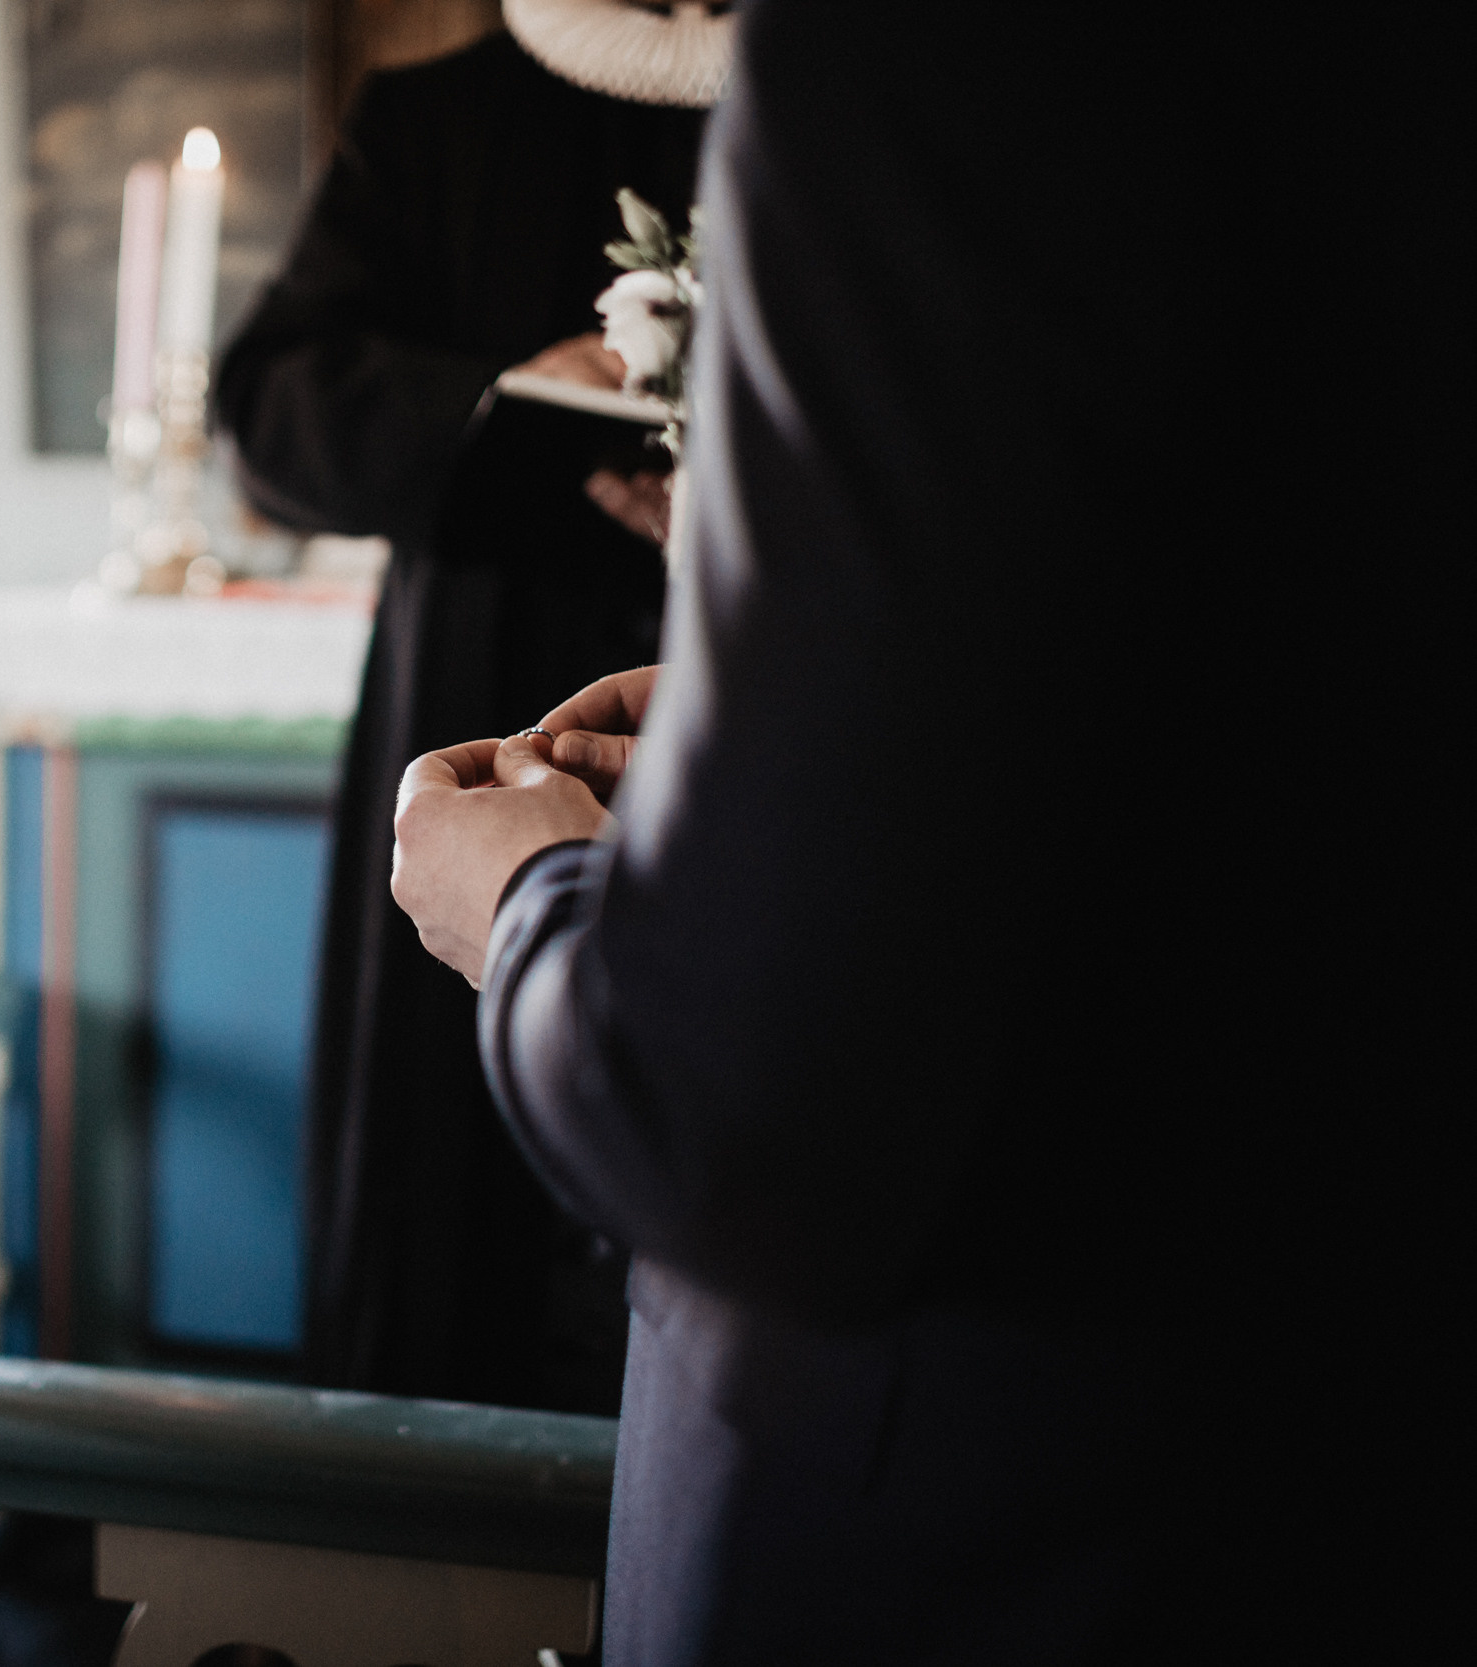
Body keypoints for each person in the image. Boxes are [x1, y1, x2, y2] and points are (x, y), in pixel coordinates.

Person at [391, 1, 1440, 1659]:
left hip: (993, 1514)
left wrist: (524, 900)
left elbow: (738, 1119)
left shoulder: (937, 59)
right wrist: (818, 738)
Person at [216, 0, 728, 1415]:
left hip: (758, 669)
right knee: (453, 1197)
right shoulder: (434, 117)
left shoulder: (843, 100)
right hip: (495, 687)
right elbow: (267, 401)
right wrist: (504, 397)